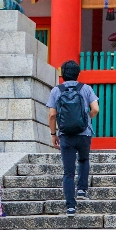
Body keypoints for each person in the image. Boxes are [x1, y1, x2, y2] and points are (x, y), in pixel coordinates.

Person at [47, 60, 100, 216]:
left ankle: (70, 207)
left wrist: (53, 134)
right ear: (78, 73)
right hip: (84, 133)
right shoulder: (86, 89)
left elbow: (52, 114)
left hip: (66, 134)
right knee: (83, 160)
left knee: (68, 172)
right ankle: (82, 190)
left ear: (62, 74)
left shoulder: (56, 90)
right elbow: (95, 109)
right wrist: (87, 119)